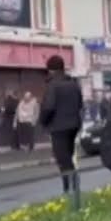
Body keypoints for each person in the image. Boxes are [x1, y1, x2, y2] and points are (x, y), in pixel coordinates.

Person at [39, 55, 84, 194]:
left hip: (59, 127)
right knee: (68, 157)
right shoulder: (73, 83)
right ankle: (72, 189)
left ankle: (70, 191)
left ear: (50, 70)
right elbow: (80, 103)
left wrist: (43, 121)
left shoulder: (52, 85)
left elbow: (48, 107)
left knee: (63, 159)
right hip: (74, 125)